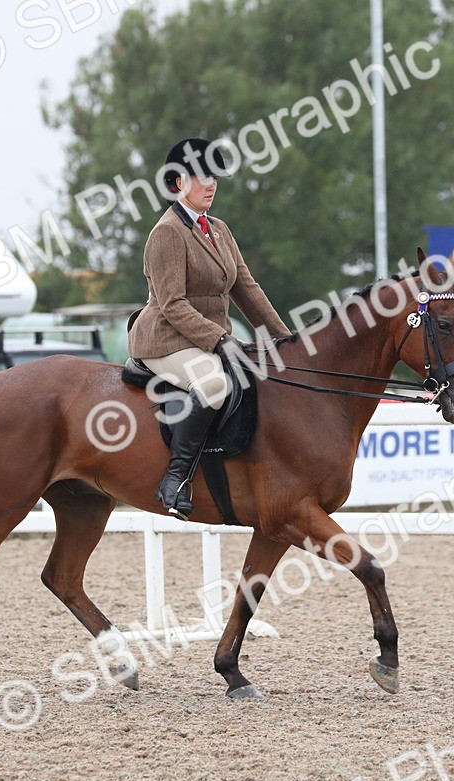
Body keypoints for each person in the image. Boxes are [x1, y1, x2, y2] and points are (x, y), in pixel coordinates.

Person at [128, 137, 292, 518]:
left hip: (204, 338)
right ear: (177, 182)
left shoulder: (218, 229)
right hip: (166, 340)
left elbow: (247, 290)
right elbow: (172, 304)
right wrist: (220, 340)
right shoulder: (166, 233)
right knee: (214, 384)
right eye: (202, 176)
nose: (211, 184)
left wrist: (285, 340)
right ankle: (176, 480)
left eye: (215, 176)